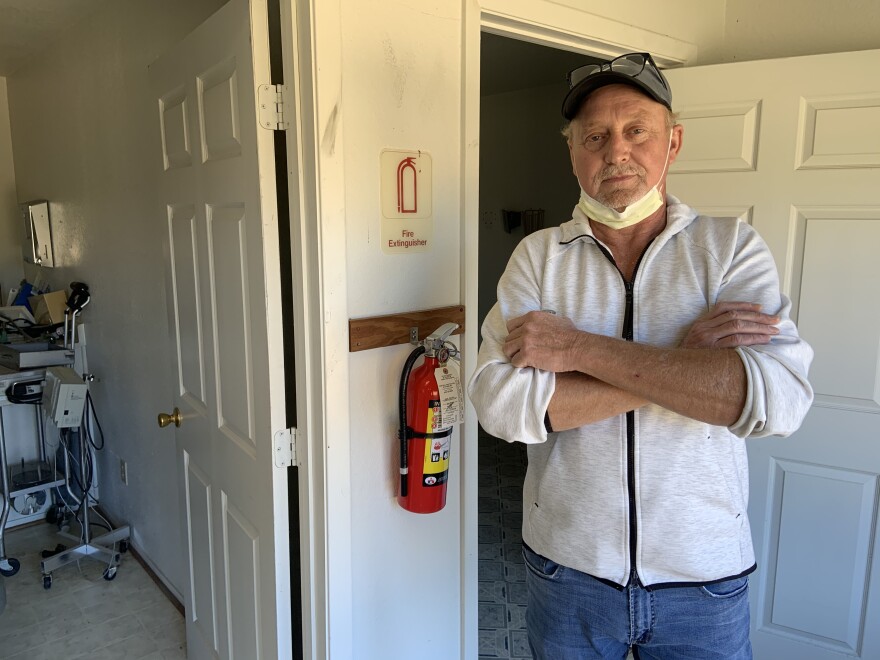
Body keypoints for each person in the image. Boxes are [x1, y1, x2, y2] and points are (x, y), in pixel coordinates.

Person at [468, 52, 814, 660]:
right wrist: (687, 362)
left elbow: (769, 400)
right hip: (568, 567)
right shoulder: (537, 259)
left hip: (702, 577)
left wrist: (574, 350)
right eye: (594, 136)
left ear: (672, 142)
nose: (615, 151)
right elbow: (504, 406)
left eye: (637, 131)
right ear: (572, 152)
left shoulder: (730, 249)